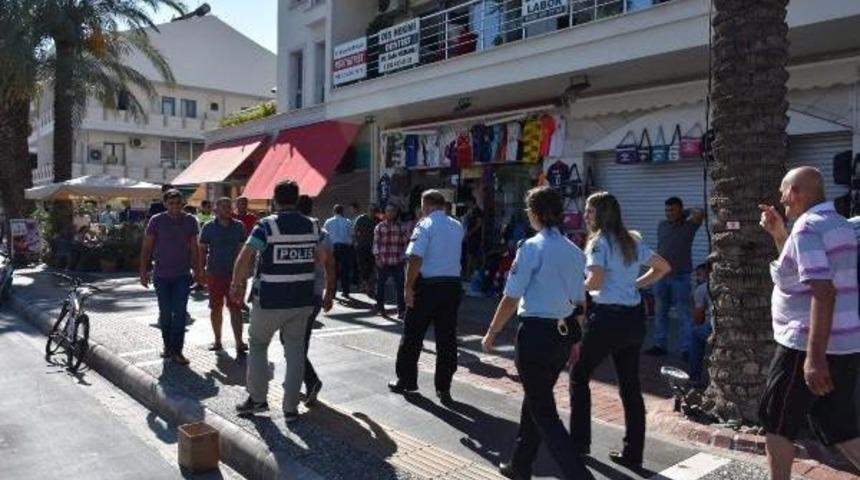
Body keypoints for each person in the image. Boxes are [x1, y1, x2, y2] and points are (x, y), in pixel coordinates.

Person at [481, 187, 594, 480]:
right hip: (562, 335)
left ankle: (579, 475)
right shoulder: (574, 251)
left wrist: (492, 332)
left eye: (528, 210)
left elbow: (511, 297)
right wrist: (576, 339)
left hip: (536, 336)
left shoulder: (531, 247)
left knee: (544, 411)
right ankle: (521, 465)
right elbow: (580, 302)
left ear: (536, 213)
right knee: (536, 398)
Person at [758, 167, 860, 480]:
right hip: (844, 343)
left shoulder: (807, 228)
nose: (780, 199)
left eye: (782, 191)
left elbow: (822, 291)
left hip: (804, 345)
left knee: (777, 423)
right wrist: (779, 235)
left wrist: (814, 359)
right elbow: (798, 276)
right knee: (836, 424)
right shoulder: (838, 224)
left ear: (795, 192)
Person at [570, 192, 671, 471]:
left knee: (578, 375)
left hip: (607, 318)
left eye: (589, 211)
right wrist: (634, 285)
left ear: (601, 214)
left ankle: (579, 442)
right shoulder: (631, 241)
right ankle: (633, 453)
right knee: (630, 386)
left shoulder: (599, 242)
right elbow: (663, 267)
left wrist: (573, 285)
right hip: (633, 319)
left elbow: (595, 281)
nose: (586, 215)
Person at [231, 181, 334, 421]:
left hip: (270, 300)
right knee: (295, 350)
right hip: (302, 299)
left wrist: (236, 285)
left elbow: (245, 256)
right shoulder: (313, 226)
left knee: (258, 345)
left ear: (275, 200)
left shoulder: (266, 226)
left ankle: (258, 399)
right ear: (296, 200)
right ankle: (290, 408)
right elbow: (324, 258)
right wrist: (326, 288)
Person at [389, 190, 464, 403]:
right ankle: (444, 387)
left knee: (412, 335)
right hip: (452, 286)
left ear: (426, 206)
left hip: (427, 287)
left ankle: (406, 381)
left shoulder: (425, 225)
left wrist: (408, 288)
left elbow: (415, 258)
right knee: (447, 338)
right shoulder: (457, 225)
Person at [139, 189, 202, 365]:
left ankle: (178, 351)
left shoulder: (190, 220)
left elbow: (194, 248)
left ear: (183, 203)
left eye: (178, 203)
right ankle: (168, 347)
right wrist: (143, 271)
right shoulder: (156, 220)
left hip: (182, 275)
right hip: (161, 275)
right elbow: (147, 247)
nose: (175, 206)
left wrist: (198, 271)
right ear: (165, 204)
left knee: (180, 313)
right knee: (165, 313)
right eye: (171, 203)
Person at [645, 196, 704, 358]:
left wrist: (684, 213)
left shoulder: (689, 226)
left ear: (680, 210)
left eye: (672, 210)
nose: (668, 213)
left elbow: (700, 213)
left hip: (681, 276)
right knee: (660, 312)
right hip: (661, 276)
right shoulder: (662, 225)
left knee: (683, 313)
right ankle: (660, 344)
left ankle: (686, 348)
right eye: (667, 210)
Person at [294, 195, 336, 406]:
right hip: (315, 293)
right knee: (301, 340)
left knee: (289, 340)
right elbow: (331, 265)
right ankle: (303, 379)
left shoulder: (291, 231)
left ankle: (310, 380)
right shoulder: (323, 233)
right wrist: (329, 293)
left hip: (295, 293)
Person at [199, 198, 247, 355]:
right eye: (223, 206)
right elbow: (202, 250)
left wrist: (243, 273)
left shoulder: (239, 226)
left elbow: (243, 251)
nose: (227, 209)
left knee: (236, 308)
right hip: (214, 273)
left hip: (234, 275)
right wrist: (200, 271)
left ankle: (239, 342)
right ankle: (217, 340)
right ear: (216, 209)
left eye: (229, 206)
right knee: (215, 308)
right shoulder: (208, 227)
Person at [373, 204, 407, 318]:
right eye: (388, 211)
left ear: (396, 213)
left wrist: (404, 257)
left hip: (398, 261)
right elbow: (376, 244)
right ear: (385, 212)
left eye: (393, 211)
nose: (390, 213)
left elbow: (405, 244)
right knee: (380, 286)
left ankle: (401, 310)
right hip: (383, 261)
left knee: (400, 287)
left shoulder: (402, 227)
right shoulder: (379, 227)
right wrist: (377, 258)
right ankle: (380, 308)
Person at [689, 260, 713, 388]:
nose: (697, 278)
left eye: (699, 275)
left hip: (713, 328)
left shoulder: (702, 289)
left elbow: (698, 318)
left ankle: (695, 377)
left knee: (694, 332)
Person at [323, 205, 354, 298]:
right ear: (342, 212)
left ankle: (332, 292)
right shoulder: (348, 221)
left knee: (332, 270)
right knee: (345, 270)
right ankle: (346, 291)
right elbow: (351, 235)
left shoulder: (328, 221)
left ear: (334, 211)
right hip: (345, 247)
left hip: (332, 247)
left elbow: (324, 235)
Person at [353, 203, 380, 296]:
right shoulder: (361, 219)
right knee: (362, 266)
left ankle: (369, 286)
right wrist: (356, 241)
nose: (372, 212)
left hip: (373, 248)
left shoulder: (378, 220)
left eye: (374, 210)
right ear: (368, 210)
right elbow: (355, 231)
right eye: (371, 210)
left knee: (371, 267)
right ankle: (365, 284)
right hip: (362, 247)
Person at [462, 197, 484, 280]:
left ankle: (470, 275)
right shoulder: (470, 211)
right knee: (469, 255)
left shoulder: (477, 211)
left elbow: (479, 223)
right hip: (470, 237)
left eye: (468, 203)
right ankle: (469, 274)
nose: (467, 204)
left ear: (471, 202)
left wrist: (470, 232)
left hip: (475, 237)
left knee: (472, 256)